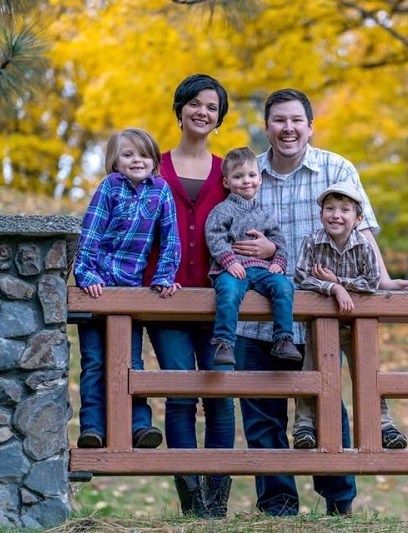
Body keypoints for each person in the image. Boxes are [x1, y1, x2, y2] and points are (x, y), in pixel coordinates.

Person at [231, 88, 408, 517]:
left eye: (296, 120)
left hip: (320, 320)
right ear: (266, 127)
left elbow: (363, 232)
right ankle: (278, 507)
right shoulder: (248, 174)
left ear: (310, 126)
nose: (288, 129)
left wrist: (385, 282)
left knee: (325, 409)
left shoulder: (336, 168)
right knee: (263, 416)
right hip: (257, 316)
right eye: (279, 120)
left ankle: (340, 504)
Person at [142, 74, 235, 519]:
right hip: (166, 300)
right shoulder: (151, 166)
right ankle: (190, 499)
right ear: (179, 109)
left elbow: (254, 220)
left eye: (212, 107)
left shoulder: (231, 172)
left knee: (220, 392)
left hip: (221, 303)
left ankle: (217, 500)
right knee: (179, 392)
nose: (203, 112)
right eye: (195, 103)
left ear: (219, 119)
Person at [73, 127, 180, 451]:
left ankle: (139, 426)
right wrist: (86, 275)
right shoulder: (109, 188)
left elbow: (170, 240)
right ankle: (93, 428)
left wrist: (163, 277)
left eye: (144, 154)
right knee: (94, 362)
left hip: (131, 291)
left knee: (131, 363)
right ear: (115, 162)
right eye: (128, 154)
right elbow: (90, 234)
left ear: (155, 160)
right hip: (100, 288)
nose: (137, 160)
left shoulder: (161, 192)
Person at [292, 181, 408, 450]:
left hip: (356, 326)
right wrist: (333, 287)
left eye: (345, 209)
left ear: (358, 219)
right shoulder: (312, 243)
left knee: (366, 373)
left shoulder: (364, 247)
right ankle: (304, 426)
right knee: (312, 370)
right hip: (320, 326)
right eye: (330, 208)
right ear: (321, 214)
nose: (336, 214)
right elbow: (301, 276)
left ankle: (384, 426)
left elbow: (371, 282)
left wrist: (338, 282)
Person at [205, 147, 301, 365]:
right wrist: (229, 262)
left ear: (259, 179)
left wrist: (278, 262)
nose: (246, 181)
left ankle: (283, 339)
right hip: (232, 269)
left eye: (251, 175)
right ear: (227, 183)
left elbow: (279, 242)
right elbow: (214, 237)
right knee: (228, 292)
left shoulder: (265, 215)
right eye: (238, 176)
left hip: (261, 269)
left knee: (284, 287)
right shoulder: (222, 211)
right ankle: (224, 343)